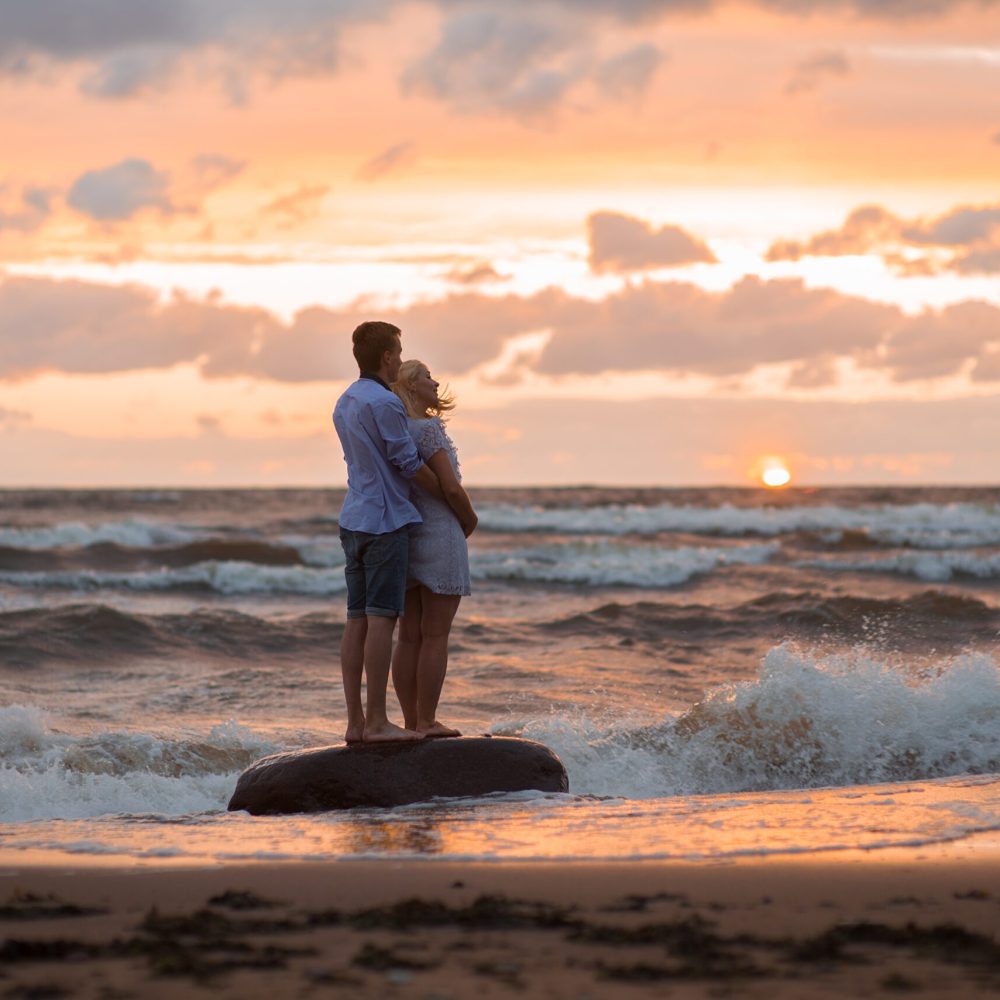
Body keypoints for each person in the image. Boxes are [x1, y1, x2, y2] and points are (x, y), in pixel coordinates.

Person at [332, 321, 454, 743]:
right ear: (386, 356)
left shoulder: (344, 401)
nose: (401, 358)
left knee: (356, 622)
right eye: (398, 352)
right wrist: (447, 497)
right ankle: (379, 722)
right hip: (385, 521)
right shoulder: (385, 403)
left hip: (353, 518)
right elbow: (405, 462)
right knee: (382, 620)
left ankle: (355, 723)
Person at [390, 359, 477, 738]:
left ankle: (410, 721)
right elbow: (451, 487)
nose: (435, 381)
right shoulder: (428, 429)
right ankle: (428, 720)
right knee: (436, 633)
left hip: (407, 532)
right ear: (411, 387)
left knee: (409, 634)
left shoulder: (395, 430)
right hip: (440, 532)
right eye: (426, 376)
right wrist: (469, 519)